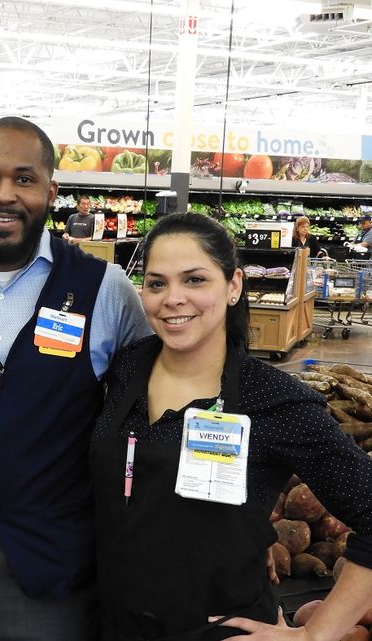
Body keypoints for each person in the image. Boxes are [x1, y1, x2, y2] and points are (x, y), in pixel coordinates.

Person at [0, 116, 151, 641]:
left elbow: (154, 405)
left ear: (51, 191)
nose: (5, 194)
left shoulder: (104, 288)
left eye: (24, 178)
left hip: (52, 571)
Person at [90, 212, 372, 640]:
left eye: (195, 280)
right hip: (114, 624)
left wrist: (314, 635)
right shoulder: (126, 367)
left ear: (234, 285)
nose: (173, 298)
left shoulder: (274, 399)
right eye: (156, 283)